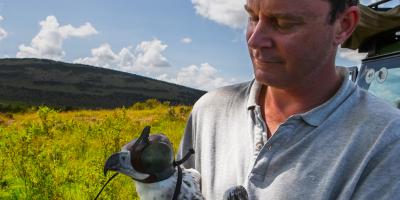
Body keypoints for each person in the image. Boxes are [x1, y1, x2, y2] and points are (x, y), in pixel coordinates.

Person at [178, 0, 400, 199]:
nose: (255, 40)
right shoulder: (208, 112)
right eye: (253, 17)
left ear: (343, 25)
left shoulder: (387, 143)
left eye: (283, 23)